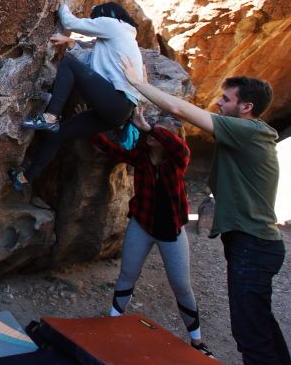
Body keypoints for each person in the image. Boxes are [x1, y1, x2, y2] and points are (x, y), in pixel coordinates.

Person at [120, 57, 289, 365]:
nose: (218, 102)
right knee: (261, 326)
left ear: (246, 107)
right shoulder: (250, 134)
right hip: (254, 245)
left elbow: (181, 110)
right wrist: (148, 128)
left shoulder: (247, 131)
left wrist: (138, 83)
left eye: (226, 99)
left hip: (253, 247)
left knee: (250, 334)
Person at [91, 105, 213, 357]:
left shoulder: (177, 161)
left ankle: (197, 342)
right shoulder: (142, 157)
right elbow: (112, 149)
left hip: (171, 231)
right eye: (155, 132)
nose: (154, 136)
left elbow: (181, 148)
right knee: (127, 275)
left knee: (181, 286)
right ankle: (111, 324)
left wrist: (149, 127)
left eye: (162, 133)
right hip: (142, 224)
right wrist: (88, 126)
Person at [9, 1, 143, 190]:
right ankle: (23, 178)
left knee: (68, 65)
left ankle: (50, 116)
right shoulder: (121, 39)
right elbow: (89, 64)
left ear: (106, 15)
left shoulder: (114, 25)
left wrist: (62, 1)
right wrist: (71, 43)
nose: (97, 22)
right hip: (117, 112)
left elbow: (70, 23)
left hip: (116, 101)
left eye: (97, 18)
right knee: (57, 136)